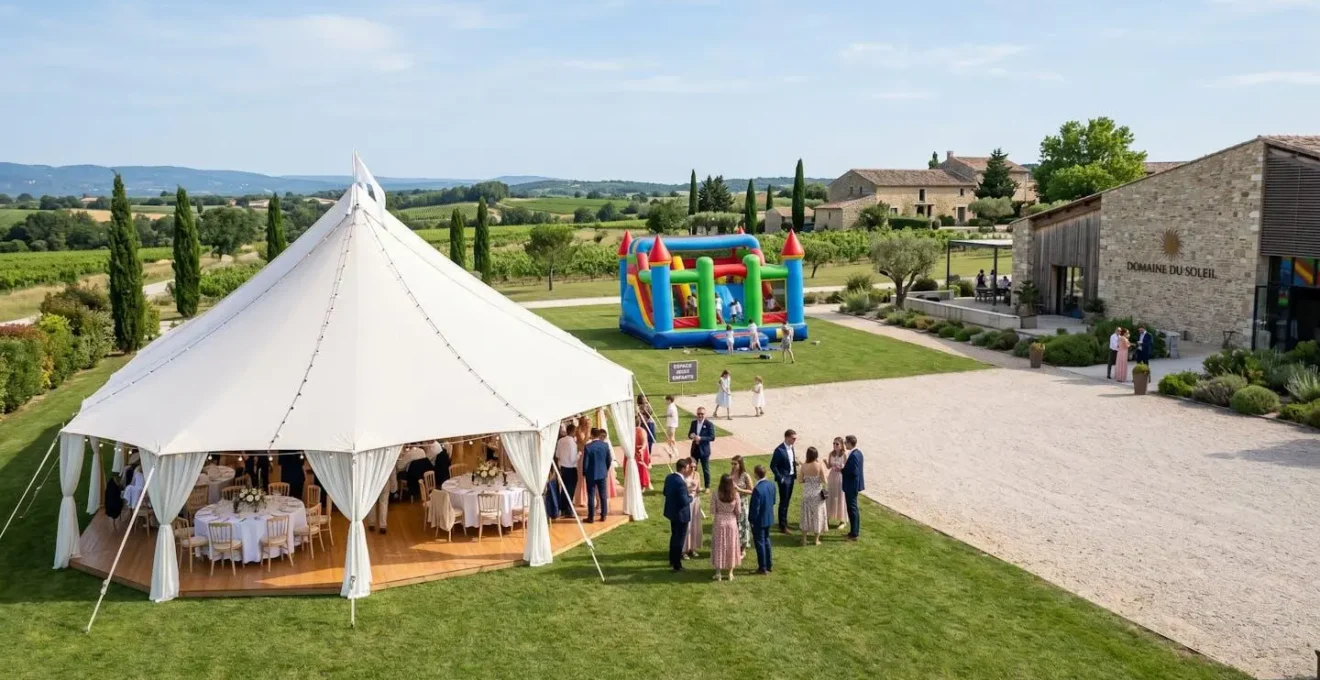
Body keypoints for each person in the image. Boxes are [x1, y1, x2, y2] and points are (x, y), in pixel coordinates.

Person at [663, 459, 694, 572]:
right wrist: (692, 496)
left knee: (674, 536)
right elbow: (684, 501)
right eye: (687, 468)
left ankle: (672, 559)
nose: (688, 470)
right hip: (681, 515)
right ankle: (677, 564)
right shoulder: (681, 483)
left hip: (671, 512)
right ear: (683, 469)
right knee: (679, 539)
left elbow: (665, 492)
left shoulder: (669, 477)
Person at [710, 474, 742, 581]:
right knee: (731, 546)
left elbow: (713, 510)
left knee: (719, 546)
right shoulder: (735, 494)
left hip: (719, 522)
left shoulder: (715, 493)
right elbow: (738, 511)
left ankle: (718, 573)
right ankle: (730, 573)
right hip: (731, 522)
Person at [748, 465, 776, 574]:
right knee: (766, 541)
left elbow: (755, 508)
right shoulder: (771, 485)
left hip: (759, 520)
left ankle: (762, 567)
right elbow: (773, 501)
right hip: (768, 518)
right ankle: (769, 565)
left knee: (760, 543)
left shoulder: (757, 489)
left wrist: (751, 520)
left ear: (756, 474)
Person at [770, 429, 798, 533]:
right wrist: (780, 478)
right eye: (793, 438)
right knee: (783, 502)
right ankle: (782, 526)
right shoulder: (779, 450)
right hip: (784, 479)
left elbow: (791, 460)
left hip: (791, 477)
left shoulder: (791, 448)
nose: (795, 440)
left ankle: (784, 522)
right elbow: (773, 466)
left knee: (787, 501)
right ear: (787, 437)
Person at [798, 447, 827, 546]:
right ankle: (816, 540)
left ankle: (804, 539)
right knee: (817, 516)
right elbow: (824, 480)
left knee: (805, 516)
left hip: (807, 493)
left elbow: (800, 480)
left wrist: (807, 480)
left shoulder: (804, 466)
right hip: (817, 494)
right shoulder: (819, 466)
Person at [582, 428, 612, 523]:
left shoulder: (588, 447)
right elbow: (609, 460)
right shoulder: (605, 445)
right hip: (602, 473)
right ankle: (603, 515)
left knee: (591, 495)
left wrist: (584, 473)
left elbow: (585, 463)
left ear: (591, 435)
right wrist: (605, 469)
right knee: (603, 495)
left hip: (591, 475)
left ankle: (591, 517)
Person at [842, 435, 866, 541]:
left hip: (851, 486)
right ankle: (853, 531)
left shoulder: (854, 455)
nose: (844, 444)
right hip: (853, 485)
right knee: (853, 508)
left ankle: (854, 533)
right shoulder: (858, 453)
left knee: (852, 509)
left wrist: (843, 470)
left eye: (845, 442)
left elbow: (854, 472)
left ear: (850, 443)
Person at [554, 423, 580, 519]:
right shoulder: (572, 443)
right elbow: (573, 459)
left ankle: (563, 508)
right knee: (570, 490)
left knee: (564, 489)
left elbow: (557, 455)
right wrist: (579, 454)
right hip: (571, 468)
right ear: (573, 431)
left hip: (563, 468)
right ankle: (568, 509)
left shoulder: (560, 441)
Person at [730, 455, 752, 556]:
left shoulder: (745, 475)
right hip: (732, 503)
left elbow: (752, 490)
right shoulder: (731, 473)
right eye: (732, 464)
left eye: (735, 464)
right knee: (734, 524)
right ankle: (734, 545)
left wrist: (739, 489)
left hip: (743, 502)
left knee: (743, 524)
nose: (733, 466)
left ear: (740, 464)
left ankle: (743, 548)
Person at [688, 407, 715, 488]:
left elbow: (712, 437)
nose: (700, 415)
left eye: (702, 414)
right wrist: (691, 436)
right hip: (695, 450)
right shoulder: (693, 423)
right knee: (693, 468)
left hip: (704, 451)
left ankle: (707, 487)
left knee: (705, 469)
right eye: (698, 414)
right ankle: (694, 485)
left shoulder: (709, 424)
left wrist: (701, 438)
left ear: (705, 414)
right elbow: (689, 434)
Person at [682, 457, 703, 558]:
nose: (693, 469)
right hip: (687, 501)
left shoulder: (697, 475)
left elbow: (698, 488)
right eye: (691, 467)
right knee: (687, 525)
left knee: (695, 525)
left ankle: (693, 548)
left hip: (696, 502)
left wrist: (700, 490)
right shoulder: (683, 475)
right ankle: (684, 550)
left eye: (695, 467)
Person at [826, 437, 847, 529]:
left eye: (837, 444)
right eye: (834, 443)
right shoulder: (831, 454)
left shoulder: (844, 455)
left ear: (842, 445)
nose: (834, 445)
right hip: (832, 476)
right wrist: (825, 462)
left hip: (840, 477)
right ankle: (827, 517)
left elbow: (846, 468)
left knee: (840, 497)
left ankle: (842, 520)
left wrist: (841, 468)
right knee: (830, 496)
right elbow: (829, 466)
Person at [634, 414, 653, 491]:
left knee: (643, 467)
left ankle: (644, 484)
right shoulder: (631, 430)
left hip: (641, 451)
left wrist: (642, 449)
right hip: (634, 451)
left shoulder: (641, 430)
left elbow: (644, 442)